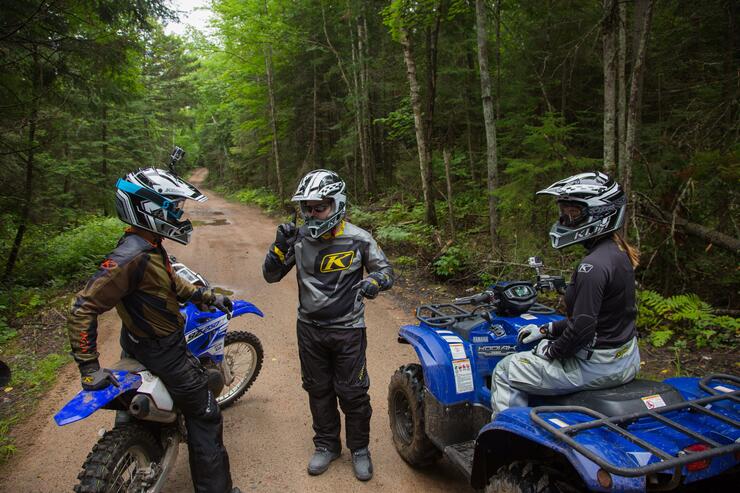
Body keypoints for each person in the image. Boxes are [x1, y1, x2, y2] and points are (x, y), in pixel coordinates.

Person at [67, 167, 240, 493]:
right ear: (151, 208)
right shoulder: (130, 256)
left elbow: (170, 283)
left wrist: (205, 296)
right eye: (173, 207)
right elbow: (82, 307)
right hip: (165, 351)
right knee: (205, 415)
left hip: (136, 342)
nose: (178, 213)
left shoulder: (145, 243)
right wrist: (89, 368)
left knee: (134, 412)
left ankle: (140, 439)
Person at [262, 169, 393, 481]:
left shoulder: (359, 238)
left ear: (338, 204)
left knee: (353, 392)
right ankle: (326, 445)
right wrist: (278, 245)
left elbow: (386, 271)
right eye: (306, 207)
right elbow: (270, 275)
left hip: (348, 329)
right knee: (318, 390)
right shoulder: (300, 237)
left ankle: (359, 449)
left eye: (319, 206)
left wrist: (374, 281)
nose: (311, 213)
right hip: (309, 328)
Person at [491, 171, 641, 417]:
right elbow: (600, 318)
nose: (565, 219)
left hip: (597, 366)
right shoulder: (619, 254)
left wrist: (551, 350)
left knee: (506, 370)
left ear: (599, 214)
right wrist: (546, 330)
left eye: (573, 213)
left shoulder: (591, 267)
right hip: (625, 359)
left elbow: (582, 329)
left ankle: (504, 440)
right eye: (564, 212)